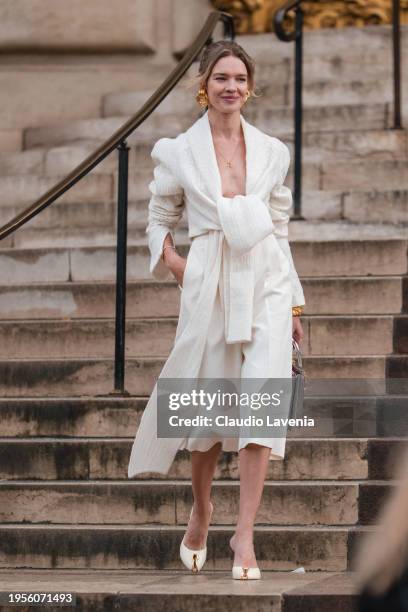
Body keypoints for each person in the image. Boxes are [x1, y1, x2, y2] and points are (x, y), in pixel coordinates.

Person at [127, 40, 305, 580]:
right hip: (210, 279)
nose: (231, 86)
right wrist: (178, 264)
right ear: (203, 84)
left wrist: (296, 303)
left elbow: (279, 228)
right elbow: (160, 214)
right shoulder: (178, 151)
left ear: (251, 86)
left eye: (239, 78)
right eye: (221, 77)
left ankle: (244, 534)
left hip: (267, 279)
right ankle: (202, 506)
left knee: (259, 405)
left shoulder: (273, 151)